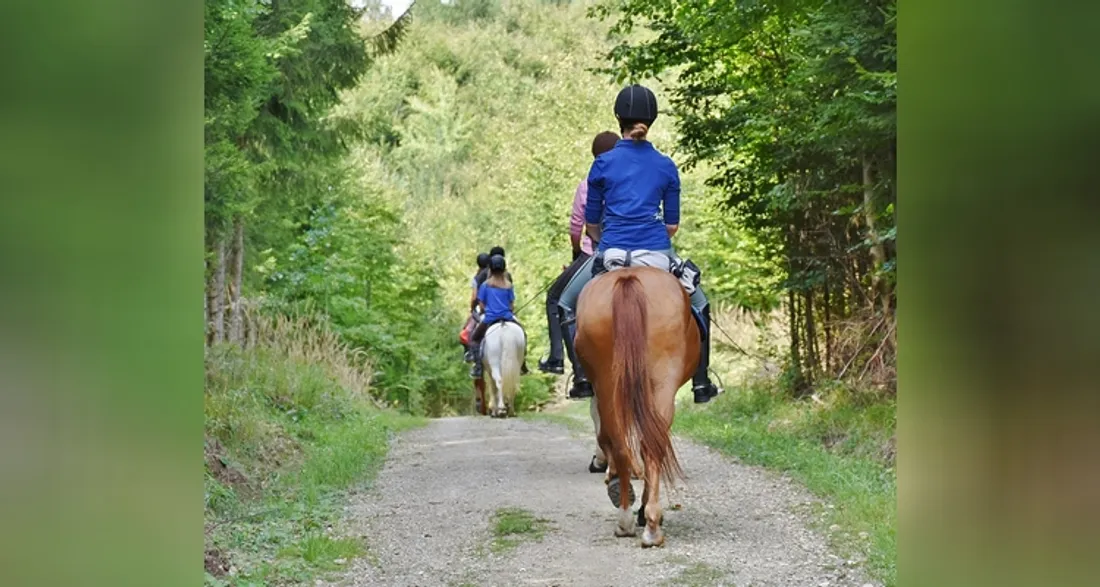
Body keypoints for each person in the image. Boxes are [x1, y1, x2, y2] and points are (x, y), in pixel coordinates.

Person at [556, 84, 722, 404]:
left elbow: (591, 224)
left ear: (619, 118)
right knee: (700, 306)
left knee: (565, 303)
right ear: (652, 119)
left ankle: (581, 377)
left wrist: (607, 241)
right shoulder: (665, 165)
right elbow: (672, 226)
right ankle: (702, 382)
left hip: (612, 251)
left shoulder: (602, 163)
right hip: (657, 253)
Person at [538, 131, 620, 399]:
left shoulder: (588, 184)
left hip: (596, 253)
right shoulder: (630, 180)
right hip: (639, 249)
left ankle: (567, 366)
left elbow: (577, 226)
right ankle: (700, 375)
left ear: (595, 156)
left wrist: (577, 250)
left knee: (557, 300)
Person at [469, 254, 522, 379]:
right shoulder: (509, 285)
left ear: (490, 269)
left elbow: (481, 306)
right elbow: (511, 305)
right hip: (508, 317)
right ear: (504, 269)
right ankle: (523, 364)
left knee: (474, 339)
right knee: (523, 334)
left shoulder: (485, 285)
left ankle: (478, 367)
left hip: (490, 319)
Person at [462, 252, 491, 362]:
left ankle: (470, 354)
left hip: (483, 308)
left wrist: (472, 309)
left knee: (467, 332)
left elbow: (474, 297)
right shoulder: (498, 276)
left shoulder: (477, 278)